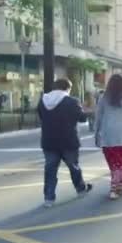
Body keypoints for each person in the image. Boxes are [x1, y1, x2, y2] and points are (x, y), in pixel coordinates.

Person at [38, 79, 93, 208]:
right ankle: (80, 189)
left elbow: (41, 117)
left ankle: (49, 198)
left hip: (49, 141)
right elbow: (82, 118)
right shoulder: (71, 101)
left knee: (50, 170)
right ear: (67, 88)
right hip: (68, 140)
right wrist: (87, 110)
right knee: (74, 167)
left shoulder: (43, 100)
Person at [95, 74, 122, 199]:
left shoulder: (103, 97)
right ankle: (120, 185)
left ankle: (118, 185)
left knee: (114, 163)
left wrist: (96, 133)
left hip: (108, 135)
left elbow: (98, 117)